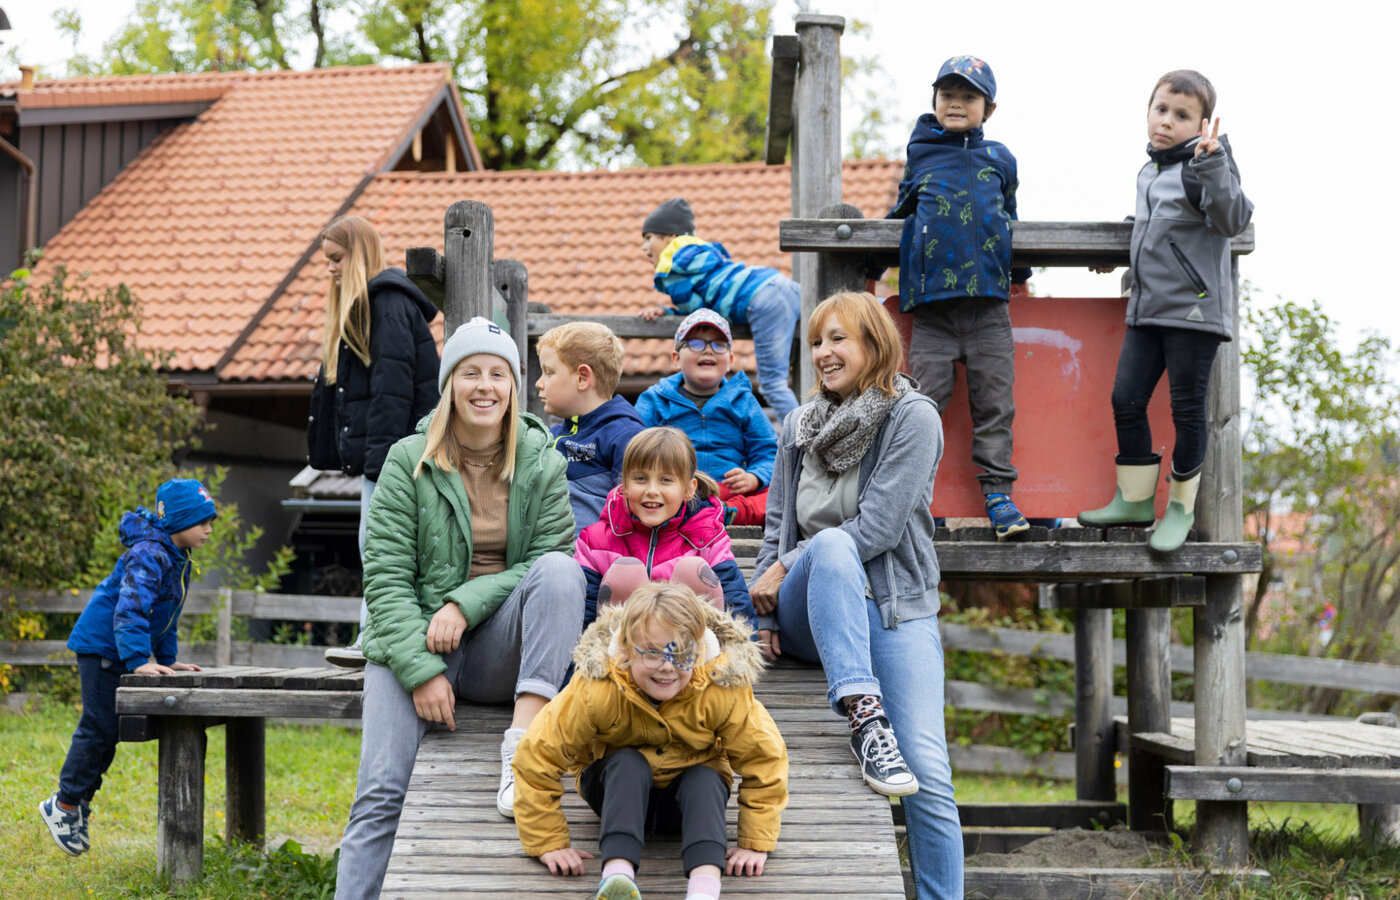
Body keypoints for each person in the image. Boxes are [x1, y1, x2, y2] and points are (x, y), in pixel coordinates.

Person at [333, 318, 584, 900]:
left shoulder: (542, 461)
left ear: (515, 387)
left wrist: (464, 605)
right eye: (470, 372)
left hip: (498, 649)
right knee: (381, 789)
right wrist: (420, 671)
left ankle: (522, 748)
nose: (485, 386)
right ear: (449, 384)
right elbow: (387, 579)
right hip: (413, 641)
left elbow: (549, 558)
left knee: (561, 572)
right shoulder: (407, 460)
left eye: (498, 373)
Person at [750, 292, 961, 899]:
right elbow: (777, 526)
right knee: (832, 550)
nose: (823, 353)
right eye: (816, 342)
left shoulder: (912, 417)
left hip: (892, 607)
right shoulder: (797, 424)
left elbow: (878, 529)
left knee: (927, 769)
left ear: (875, 343)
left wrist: (790, 559)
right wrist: (758, 605)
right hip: (807, 611)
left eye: (837, 339)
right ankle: (866, 721)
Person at [512, 583, 788, 900]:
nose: (668, 666)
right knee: (629, 762)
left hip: (685, 805)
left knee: (706, 777)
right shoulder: (599, 686)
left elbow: (764, 757)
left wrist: (755, 841)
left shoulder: (722, 687)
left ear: (698, 650)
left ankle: (704, 886)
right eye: (653, 653)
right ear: (627, 651)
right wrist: (547, 840)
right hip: (615, 792)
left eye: (681, 653)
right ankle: (617, 875)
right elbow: (537, 754)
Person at [1078, 70, 1253, 554]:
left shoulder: (1207, 164)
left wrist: (1213, 162)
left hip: (1193, 312)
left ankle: (1179, 509)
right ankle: (1134, 500)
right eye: (1161, 110)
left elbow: (1233, 217)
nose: (1167, 122)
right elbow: (1161, 226)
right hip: (1148, 308)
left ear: (1202, 125)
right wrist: (1121, 246)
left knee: (1187, 411)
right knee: (1126, 399)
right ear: (1149, 112)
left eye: (1182, 115)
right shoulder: (1151, 171)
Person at [875, 54, 1031, 541]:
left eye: (969, 96)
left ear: (990, 108)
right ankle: (910, 498)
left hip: (988, 306)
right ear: (935, 101)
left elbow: (1010, 219)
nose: (957, 103)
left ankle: (998, 496)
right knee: (919, 406)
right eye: (948, 95)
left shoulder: (1000, 159)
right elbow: (901, 211)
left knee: (994, 405)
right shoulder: (922, 153)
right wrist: (868, 271)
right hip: (934, 313)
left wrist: (1021, 273)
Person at [40, 478, 217, 857]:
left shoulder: (177, 557)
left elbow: (165, 615)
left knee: (110, 731)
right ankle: (64, 805)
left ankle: (75, 803)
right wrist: (139, 660)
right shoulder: (150, 554)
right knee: (99, 727)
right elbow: (131, 610)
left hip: (120, 649)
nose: (209, 529)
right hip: (103, 648)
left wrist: (167, 661)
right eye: (202, 521)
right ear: (179, 520)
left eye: (210, 521)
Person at [306, 215, 441, 666]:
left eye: (337, 259)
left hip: (394, 458)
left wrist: (380, 463)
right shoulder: (375, 308)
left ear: (359, 254)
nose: (331, 269)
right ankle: (379, 635)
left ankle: (376, 638)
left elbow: (392, 392)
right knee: (382, 545)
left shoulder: (385, 306)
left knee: (381, 546)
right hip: (389, 457)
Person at [638, 196, 803, 421]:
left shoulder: (672, 267)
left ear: (670, 237)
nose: (644, 247)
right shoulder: (702, 252)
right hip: (781, 284)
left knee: (773, 384)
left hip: (761, 299)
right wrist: (669, 312)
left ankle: (807, 446)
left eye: (648, 238)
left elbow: (699, 315)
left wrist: (671, 313)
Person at [575, 426, 756, 628]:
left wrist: (738, 654)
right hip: (621, 650)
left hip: (689, 648)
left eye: (666, 480)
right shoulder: (595, 541)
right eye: (640, 479)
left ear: (688, 490)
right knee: (624, 574)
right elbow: (584, 613)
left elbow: (735, 603)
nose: (652, 490)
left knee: (692, 570)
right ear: (625, 485)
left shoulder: (707, 538)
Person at [636, 309, 778, 527]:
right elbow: (636, 446)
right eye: (695, 343)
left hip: (729, 490)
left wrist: (753, 477)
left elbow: (767, 450)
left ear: (730, 360)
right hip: (677, 488)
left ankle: (725, 512)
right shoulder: (656, 400)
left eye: (718, 344)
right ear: (676, 359)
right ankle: (699, 511)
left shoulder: (743, 400)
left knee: (781, 493)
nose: (708, 351)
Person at [535, 321, 645, 533]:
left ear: (582, 377)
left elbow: (635, 511)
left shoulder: (625, 436)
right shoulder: (552, 435)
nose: (539, 383)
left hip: (595, 556)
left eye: (548, 372)